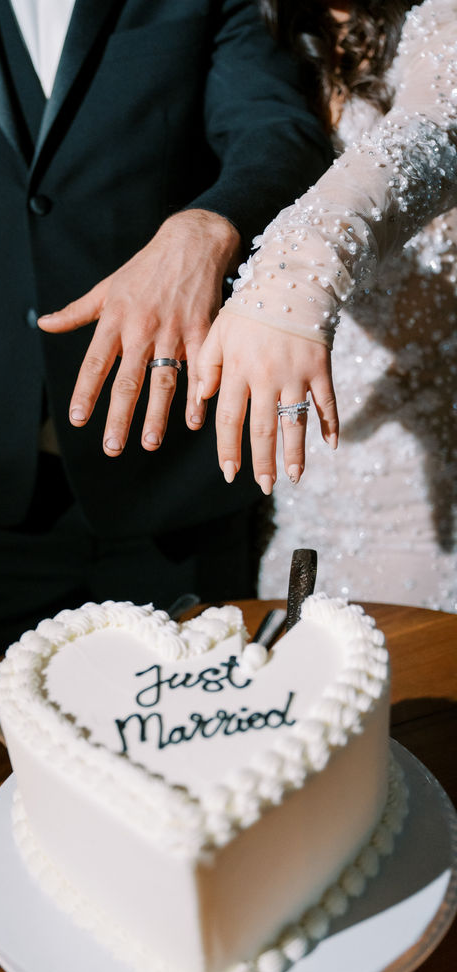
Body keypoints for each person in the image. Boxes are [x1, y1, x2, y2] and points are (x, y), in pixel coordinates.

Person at [0, 0, 332, 670]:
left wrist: (211, 222)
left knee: (197, 734)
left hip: (171, 472)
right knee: (8, 746)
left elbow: (279, 131)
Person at [195, 0, 457, 609]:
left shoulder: (441, 18)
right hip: (297, 490)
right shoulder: (247, 34)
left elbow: (432, 131)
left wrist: (294, 272)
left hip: (422, 500)